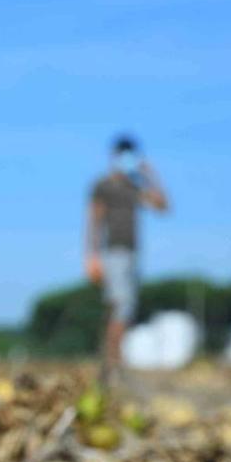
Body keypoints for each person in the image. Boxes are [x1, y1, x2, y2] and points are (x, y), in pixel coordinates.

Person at [84, 135, 170, 387]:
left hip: (133, 254)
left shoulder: (135, 186)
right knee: (119, 306)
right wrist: (92, 256)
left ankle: (111, 364)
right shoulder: (103, 185)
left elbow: (162, 206)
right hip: (113, 253)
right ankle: (113, 366)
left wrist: (151, 176)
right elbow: (94, 221)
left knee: (124, 310)